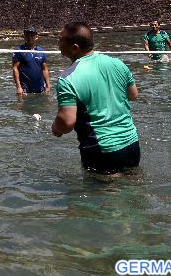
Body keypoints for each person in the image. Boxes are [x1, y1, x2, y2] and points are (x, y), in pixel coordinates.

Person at [51, 22, 141, 174]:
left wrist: (56, 128)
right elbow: (133, 95)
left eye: (60, 39)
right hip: (131, 143)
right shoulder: (117, 63)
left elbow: (66, 123)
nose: (57, 43)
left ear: (74, 48)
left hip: (102, 149)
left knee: (103, 195)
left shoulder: (67, 78)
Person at [13, 27, 51, 96]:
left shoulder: (41, 51)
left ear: (36, 37)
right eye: (27, 35)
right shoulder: (19, 50)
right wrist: (18, 87)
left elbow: (44, 69)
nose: (29, 37)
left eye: (32, 35)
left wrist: (48, 86)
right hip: (25, 89)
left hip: (40, 88)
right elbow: (15, 68)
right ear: (24, 37)